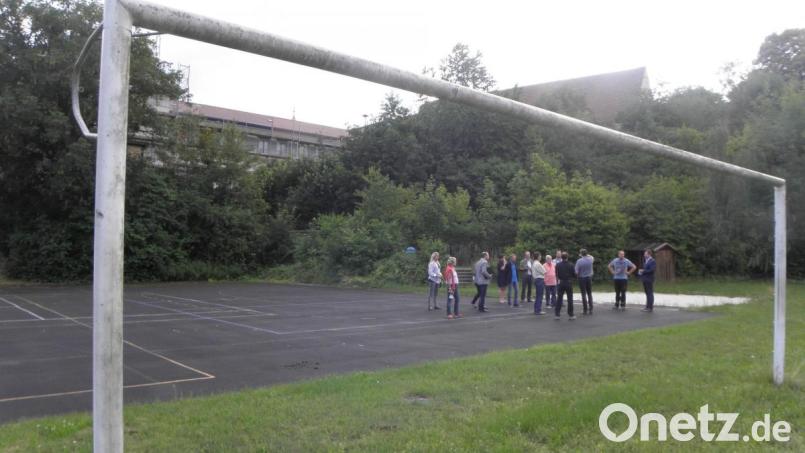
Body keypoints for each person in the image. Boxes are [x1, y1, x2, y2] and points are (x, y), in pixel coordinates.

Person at [555, 252, 576, 320]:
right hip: (568, 282)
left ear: (561, 257)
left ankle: (557, 314)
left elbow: (556, 274)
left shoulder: (558, 265)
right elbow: (574, 274)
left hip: (561, 282)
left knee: (559, 298)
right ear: (567, 257)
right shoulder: (571, 265)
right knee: (570, 299)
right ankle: (571, 314)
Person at [575, 249, 595, 315]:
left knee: (583, 294)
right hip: (589, 277)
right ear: (587, 253)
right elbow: (592, 256)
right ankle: (591, 308)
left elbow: (576, 271)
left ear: (581, 254)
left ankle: (585, 309)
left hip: (581, 278)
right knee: (589, 293)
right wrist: (587, 254)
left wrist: (577, 276)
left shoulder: (579, 261)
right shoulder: (590, 259)